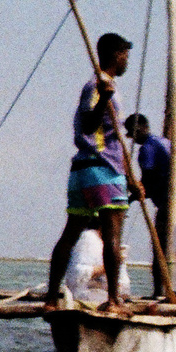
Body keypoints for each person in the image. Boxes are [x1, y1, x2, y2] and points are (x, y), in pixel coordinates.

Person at [46, 32, 136, 308]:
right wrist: (104, 99)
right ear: (116, 55)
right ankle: (113, 300)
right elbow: (88, 126)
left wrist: (131, 176)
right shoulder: (97, 86)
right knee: (111, 235)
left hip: (86, 170)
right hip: (102, 169)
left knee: (72, 232)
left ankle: (51, 298)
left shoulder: (103, 86)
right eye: (125, 55)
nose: (127, 61)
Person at [124, 113, 173, 202]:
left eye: (134, 132)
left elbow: (148, 181)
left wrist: (132, 196)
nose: (133, 138)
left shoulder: (147, 147)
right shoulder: (163, 141)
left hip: (169, 193)